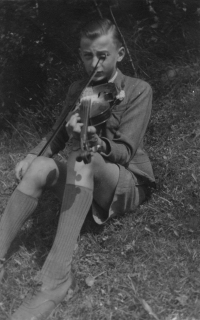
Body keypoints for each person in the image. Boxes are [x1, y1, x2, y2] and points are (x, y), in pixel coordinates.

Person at [0, 18, 155, 320]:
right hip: (82, 173)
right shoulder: (78, 89)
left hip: (124, 181)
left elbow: (125, 151)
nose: (94, 63)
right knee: (41, 167)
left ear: (119, 54)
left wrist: (94, 141)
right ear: (80, 55)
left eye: (102, 55)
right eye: (87, 55)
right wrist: (33, 155)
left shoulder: (138, 89)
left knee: (82, 154)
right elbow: (57, 134)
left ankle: (56, 279)